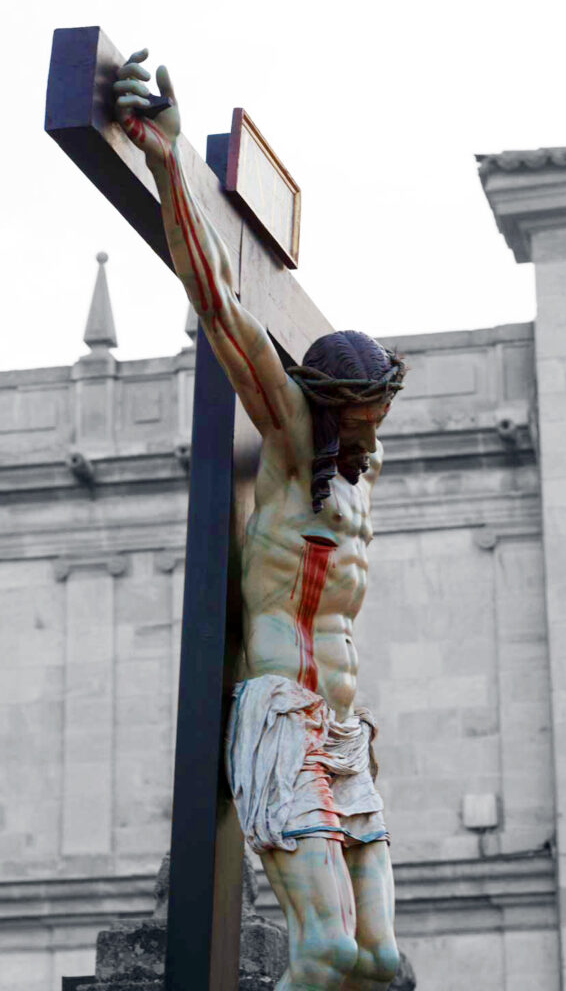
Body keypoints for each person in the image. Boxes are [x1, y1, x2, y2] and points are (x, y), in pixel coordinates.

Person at [114, 50, 405, 991]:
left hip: (347, 730)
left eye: (379, 415)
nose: (371, 432)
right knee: (323, 957)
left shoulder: (356, 475)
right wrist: (167, 165)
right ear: (324, 404)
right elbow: (224, 304)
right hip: (281, 712)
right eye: (358, 416)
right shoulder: (287, 441)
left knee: (382, 966)